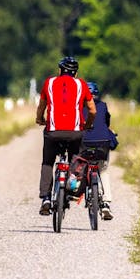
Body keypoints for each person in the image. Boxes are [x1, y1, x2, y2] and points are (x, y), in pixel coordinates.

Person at [35, 56, 95, 215]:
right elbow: (92, 110)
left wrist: (39, 119)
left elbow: (42, 106)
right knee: (75, 160)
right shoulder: (81, 84)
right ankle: (71, 189)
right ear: (76, 73)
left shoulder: (49, 82)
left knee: (48, 162)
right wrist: (87, 124)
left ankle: (46, 198)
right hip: (75, 133)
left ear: (60, 70)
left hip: (53, 132)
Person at [81, 81, 115, 220]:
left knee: (82, 165)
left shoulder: (79, 107)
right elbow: (106, 123)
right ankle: (106, 203)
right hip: (102, 143)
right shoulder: (103, 105)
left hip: (84, 142)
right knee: (103, 170)